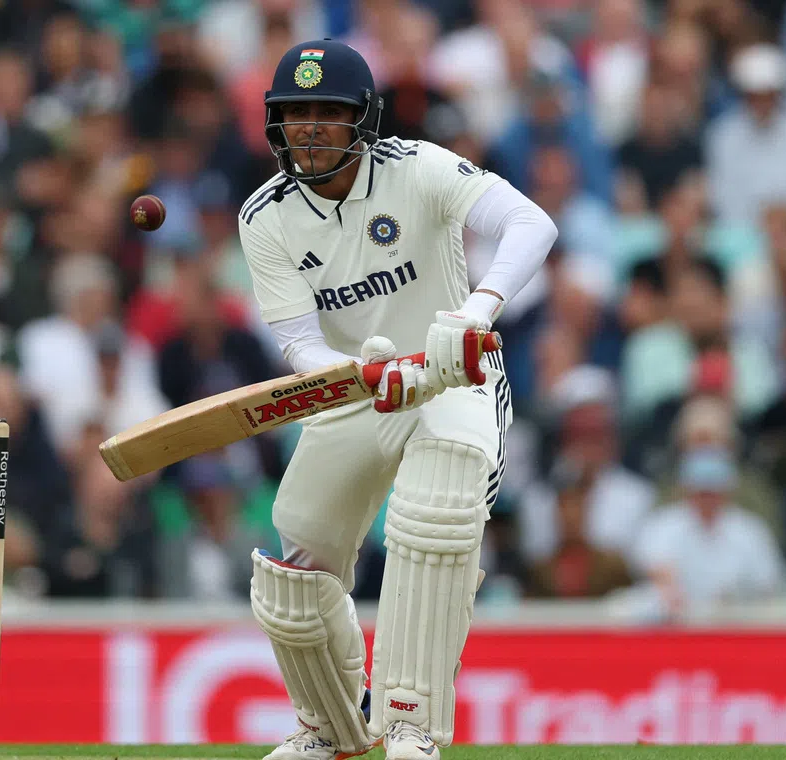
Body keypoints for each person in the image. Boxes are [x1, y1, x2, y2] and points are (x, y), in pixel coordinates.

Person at [238, 40, 557, 760]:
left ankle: (410, 726)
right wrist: (360, 371)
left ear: (364, 118)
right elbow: (298, 346)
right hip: (358, 391)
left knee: (432, 518)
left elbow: (532, 224)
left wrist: (474, 313)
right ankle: (330, 729)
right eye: (296, 113)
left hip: (455, 382)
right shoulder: (264, 216)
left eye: (328, 111)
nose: (311, 127)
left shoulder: (418, 169)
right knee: (294, 567)